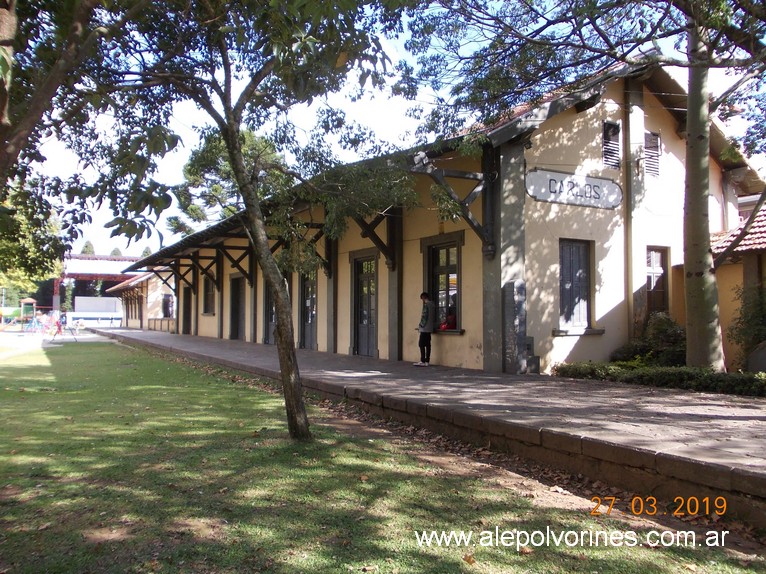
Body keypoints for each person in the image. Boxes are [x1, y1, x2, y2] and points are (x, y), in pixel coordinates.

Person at [414, 292, 436, 366]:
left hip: (424, 328)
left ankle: (422, 360)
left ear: (423, 298)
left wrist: (420, 325)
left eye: (422, 299)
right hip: (430, 328)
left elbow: (424, 317)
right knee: (428, 345)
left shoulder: (426, 305)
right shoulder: (433, 305)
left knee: (421, 344)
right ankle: (427, 361)